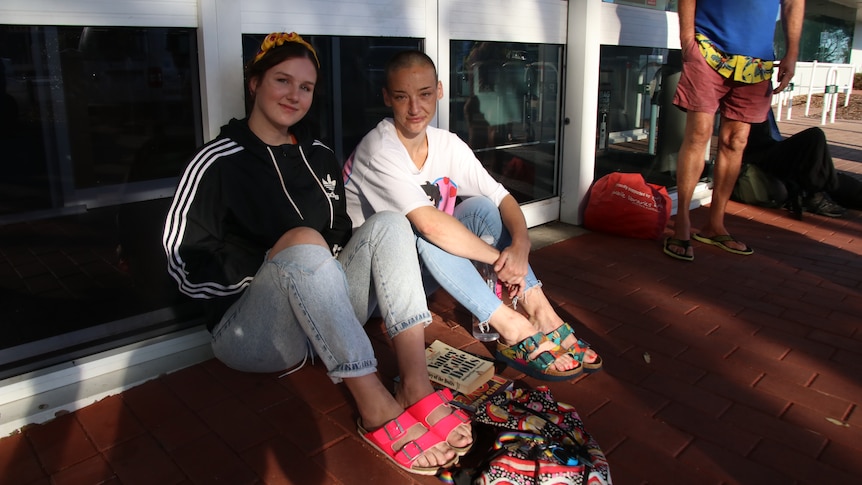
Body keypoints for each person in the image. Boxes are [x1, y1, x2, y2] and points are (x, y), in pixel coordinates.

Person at [162, 33, 471, 476]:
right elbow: (182, 261)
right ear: (254, 83)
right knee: (304, 243)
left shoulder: (319, 154)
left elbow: (342, 229)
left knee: (390, 223)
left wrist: (318, 264)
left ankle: (416, 385)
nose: (294, 95)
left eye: (305, 87)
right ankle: (374, 406)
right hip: (254, 333)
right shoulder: (218, 160)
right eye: (282, 81)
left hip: (327, 312)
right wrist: (275, 259)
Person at [342, 50, 602, 382]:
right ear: (386, 98)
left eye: (423, 95)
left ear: (439, 90)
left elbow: (502, 198)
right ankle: (511, 325)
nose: (414, 108)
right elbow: (430, 225)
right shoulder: (379, 148)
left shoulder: (446, 144)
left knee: (480, 207)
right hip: (372, 291)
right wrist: (502, 261)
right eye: (401, 97)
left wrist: (521, 246)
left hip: (416, 274)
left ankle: (540, 311)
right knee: (428, 229)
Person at [663, 0, 804, 262]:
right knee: (698, 134)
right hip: (707, 50)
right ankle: (681, 222)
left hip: (757, 62)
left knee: (736, 141)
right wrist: (687, 41)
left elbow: (793, 3)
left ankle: (715, 225)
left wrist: (792, 52)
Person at [737, 109, 846, 218]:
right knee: (814, 136)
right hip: (756, 156)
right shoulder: (741, 104)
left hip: (770, 147)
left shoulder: (761, 103)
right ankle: (817, 194)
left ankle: (821, 192)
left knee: (846, 186)